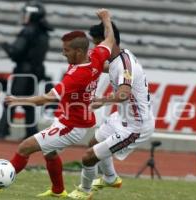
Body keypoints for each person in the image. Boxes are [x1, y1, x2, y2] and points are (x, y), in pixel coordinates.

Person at [0, 8, 115, 198]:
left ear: (79, 51)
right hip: (71, 120)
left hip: (71, 126)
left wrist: (18, 100)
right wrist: (107, 20)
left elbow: (47, 98)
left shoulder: (77, 76)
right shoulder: (96, 56)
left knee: (24, 147)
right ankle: (58, 191)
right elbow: (109, 40)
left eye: (66, 50)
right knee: (49, 154)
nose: (63, 53)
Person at [68, 21, 155, 199]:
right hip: (122, 117)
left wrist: (101, 101)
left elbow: (123, 94)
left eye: (96, 43)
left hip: (135, 127)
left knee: (88, 157)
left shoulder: (124, 65)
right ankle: (110, 178)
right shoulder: (119, 58)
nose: (94, 47)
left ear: (106, 41)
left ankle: (84, 192)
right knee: (93, 143)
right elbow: (104, 67)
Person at [0, 0, 53, 139]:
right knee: (28, 103)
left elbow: (16, 51)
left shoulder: (28, 30)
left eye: (26, 13)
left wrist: (3, 44)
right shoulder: (44, 33)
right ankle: (31, 133)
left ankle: (2, 131)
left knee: (11, 101)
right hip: (36, 72)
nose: (24, 16)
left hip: (24, 72)